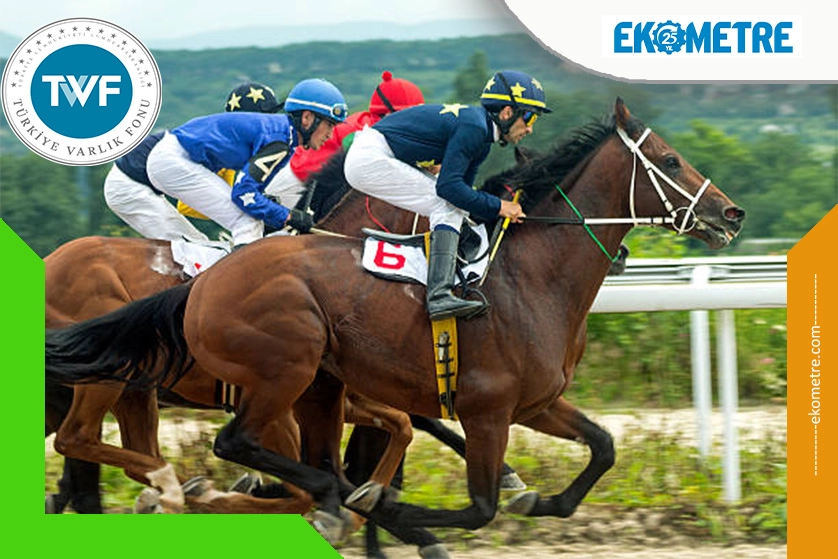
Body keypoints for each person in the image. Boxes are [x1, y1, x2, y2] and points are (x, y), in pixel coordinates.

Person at [344, 69, 549, 320]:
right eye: (530, 117)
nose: (530, 128)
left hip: (376, 153)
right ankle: (439, 295)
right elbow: (449, 190)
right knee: (447, 205)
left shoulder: (482, 138)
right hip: (369, 158)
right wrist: (499, 206)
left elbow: (464, 194)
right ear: (507, 112)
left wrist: (494, 211)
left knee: (454, 206)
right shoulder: (474, 128)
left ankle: (448, 275)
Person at [143, 78, 347, 246]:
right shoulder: (280, 141)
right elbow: (244, 194)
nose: (330, 134)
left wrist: (278, 213)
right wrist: (288, 216)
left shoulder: (285, 138)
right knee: (246, 220)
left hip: (172, 159)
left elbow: (251, 192)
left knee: (250, 218)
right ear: (307, 118)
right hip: (174, 161)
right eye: (329, 125)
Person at [103, 82, 283, 242]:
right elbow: (188, 207)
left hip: (138, 180)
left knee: (201, 245)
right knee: (192, 247)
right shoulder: (224, 146)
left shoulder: (227, 137)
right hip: (129, 187)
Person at [265, 70, 425, 209]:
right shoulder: (368, 130)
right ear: (389, 113)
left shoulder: (371, 122)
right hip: (297, 181)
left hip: (311, 179)